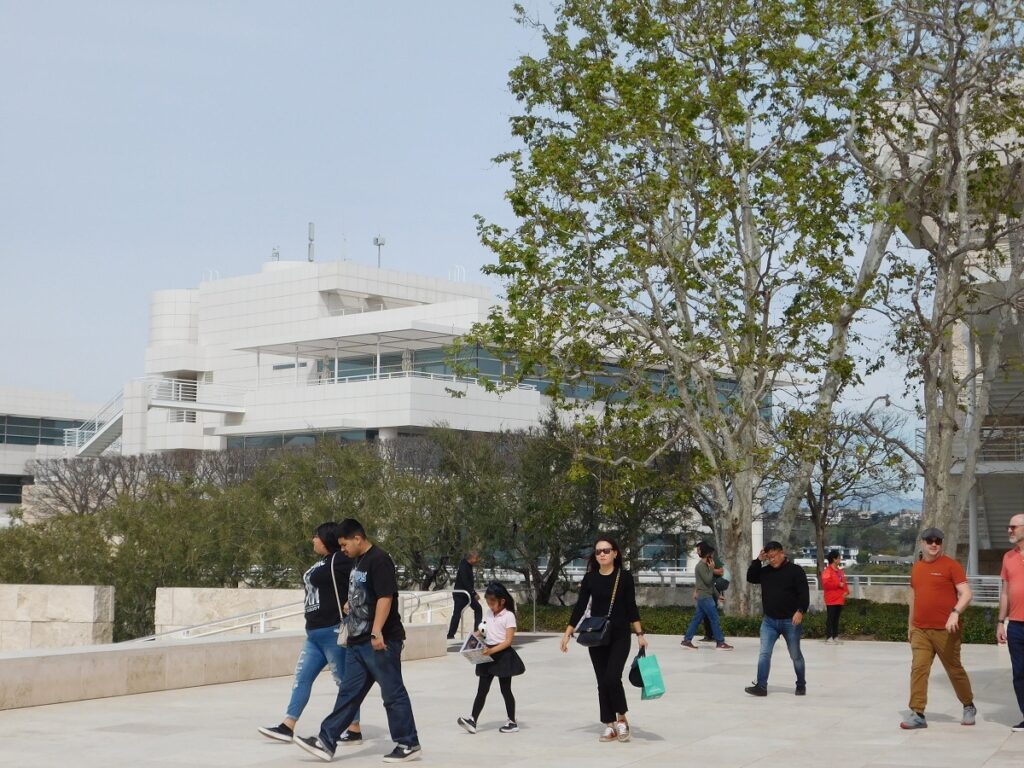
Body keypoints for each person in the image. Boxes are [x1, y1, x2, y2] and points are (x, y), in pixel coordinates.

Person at [293, 518, 422, 763]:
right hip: (356, 640)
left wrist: (376, 631)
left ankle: (408, 743)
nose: (342, 549)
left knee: (392, 693)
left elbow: (386, 598)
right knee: (348, 692)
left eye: (344, 544)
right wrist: (350, 604)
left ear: (357, 538)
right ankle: (326, 740)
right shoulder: (357, 561)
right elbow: (365, 594)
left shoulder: (379, 560)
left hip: (379, 641)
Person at [257, 522, 362, 744]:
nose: (312, 540)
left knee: (343, 682)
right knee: (302, 678)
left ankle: (354, 729)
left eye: (316, 536)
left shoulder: (340, 559)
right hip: (314, 634)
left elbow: (360, 579)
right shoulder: (322, 563)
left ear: (326, 539)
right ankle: (288, 726)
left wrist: (352, 603)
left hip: (333, 630)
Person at [560, 536, 648, 743]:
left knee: (612, 678)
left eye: (606, 550)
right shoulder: (590, 578)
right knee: (602, 682)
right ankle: (609, 724)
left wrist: (640, 634)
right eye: (598, 551)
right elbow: (580, 606)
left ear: (615, 553)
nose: (602, 554)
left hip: (619, 635)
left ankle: (622, 719)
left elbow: (631, 607)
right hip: (597, 635)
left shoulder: (624, 577)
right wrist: (568, 632)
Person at [901, 527, 977, 730]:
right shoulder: (917, 568)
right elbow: (914, 598)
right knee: (918, 669)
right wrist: (910, 626)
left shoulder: (951, 566)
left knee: (954, 670)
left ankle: (968, 705)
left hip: (946, 630)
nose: (934, 544)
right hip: (920, 630)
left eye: (938, 541)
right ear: (922, 543)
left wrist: (955, 613)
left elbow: (966, 594)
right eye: (929, 540)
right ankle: (917, 713)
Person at [457, 581, 526, 735]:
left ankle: (512, 721)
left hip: (503, 655)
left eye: (492, 602)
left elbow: (508, 641)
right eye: (488, 602)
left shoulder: (509, 616)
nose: (490, 606)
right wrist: (475, 637)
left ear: (502, 601)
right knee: (482, 689)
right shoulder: (489, 613)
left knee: (505, 689)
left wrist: (492, 650)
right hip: (487, 653)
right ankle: (472, 720)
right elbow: (483, 630)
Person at [745, 540, 809, 697]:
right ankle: (761, 686)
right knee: (764, 654)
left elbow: (804, 594)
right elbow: (751, 577)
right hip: (769, 621)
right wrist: (758, 561)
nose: (772, 560)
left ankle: (801, 684)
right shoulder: (765, 572)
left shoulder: (796, 571)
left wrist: (800, 611)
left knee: (795, 655)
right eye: (769, 557)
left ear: (782, 553)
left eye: (774, 556)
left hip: (790, 621)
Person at [997, 513, 1024, 732]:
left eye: (1013, 527)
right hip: (1015, 625)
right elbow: (1005, 592)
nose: (1009, 530)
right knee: (1019, 673)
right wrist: (1000, 622)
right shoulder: (1008, 557)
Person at [680, 542, 733, 650]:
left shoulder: (705, 565)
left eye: (699, 550)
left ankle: (687, 640)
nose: (712, 556)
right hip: (705, 597)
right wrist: (712, 569)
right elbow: (708, 580)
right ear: (707, 553)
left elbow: (710, 584)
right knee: (715, 619)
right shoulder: (701, 566)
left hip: (705, 596)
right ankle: (720, 642)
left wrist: (718, 596)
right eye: (710, 554)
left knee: (696, 619)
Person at [448, 551, 483, 640]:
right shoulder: (464, 566)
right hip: (461, 595)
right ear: (471, 558)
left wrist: (472, 592)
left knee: (478, 609)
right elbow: (465, 582)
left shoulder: (468, 565)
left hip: (467, 594)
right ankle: (450, 635)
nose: (477, 560)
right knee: (457, 614)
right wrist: (474, 593)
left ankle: (476, 631)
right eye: (476, 558)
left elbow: (468, 583)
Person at [821, 549, 850, 644]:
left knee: (836, 618)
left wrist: (846, 591)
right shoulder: (827, 571)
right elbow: (826, 584)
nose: (840, 559)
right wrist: (838, 584)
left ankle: (835, 636)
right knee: (831, 618)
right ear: (834, 559)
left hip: (840, 598)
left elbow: (844, 582)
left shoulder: (840, 571)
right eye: (838, 558)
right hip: (831, 598)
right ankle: (829, 637)